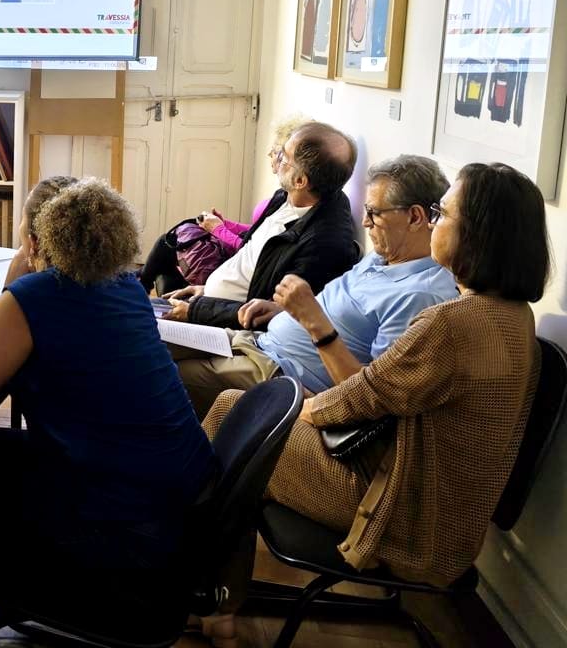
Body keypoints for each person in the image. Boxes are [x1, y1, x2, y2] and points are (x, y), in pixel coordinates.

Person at [200, 162, 549, 648]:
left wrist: (289, 408)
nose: (435, 223)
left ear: (478, 235)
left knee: (233, 411)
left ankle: (203, 593)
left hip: (398, 514)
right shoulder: (514, 317)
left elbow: (360, 399)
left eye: (443, 214)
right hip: (433, 511)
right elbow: (378, 397)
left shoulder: (452, 323)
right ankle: (215, 596)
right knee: (247, 415)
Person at [0, 177, 216, 631]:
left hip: (129, 539)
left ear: (33, 241)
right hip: (181, 510)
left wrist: (16, 279)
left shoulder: (37, 297)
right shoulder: (128, 287)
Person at [172, 155, 457, 416]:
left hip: (281, 374)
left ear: (415, 217)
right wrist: (284, 311)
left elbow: (369, 396)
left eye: (374, 213)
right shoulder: (385, 256)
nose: (364, 222)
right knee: (154, 341)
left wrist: (312, 320)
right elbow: (335, 313)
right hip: (257, 342)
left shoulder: (419, 296)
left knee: (161, 377)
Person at [163, 121, 361, 328]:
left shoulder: (322, 246)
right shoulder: (286, 197)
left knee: (145, 330)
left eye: (283, 156)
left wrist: (197, 311)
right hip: (210, 303)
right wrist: (206, 290)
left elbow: (268, 314)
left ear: (300, 181)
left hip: (228, 324)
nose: (276, 159)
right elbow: (251, 257)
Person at [138, 114, 312, 295]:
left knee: (169, 247)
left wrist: (219, 230)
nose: (270, 154)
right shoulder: (283, 197)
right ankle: (143, 285)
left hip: (236, 270)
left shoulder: (296, 211)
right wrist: (227, 224)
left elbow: (255, 253)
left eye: (276, 151)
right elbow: (256, 232)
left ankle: (141, 285)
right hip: (231, 266)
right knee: (170, 255)